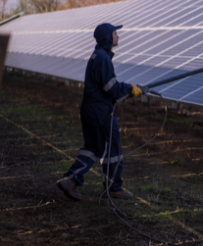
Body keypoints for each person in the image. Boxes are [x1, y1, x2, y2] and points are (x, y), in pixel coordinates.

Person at [56, 23, 142, 201]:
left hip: (91, 108)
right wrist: (129, 88)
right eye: (115, 34)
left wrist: (127, 90)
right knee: (113, 149)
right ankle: (114, 188)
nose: (118, 37)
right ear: (108, 38)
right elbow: (110, 88)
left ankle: (71, 180)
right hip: (100, 111)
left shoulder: (98, 56)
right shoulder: (103, 58)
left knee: (92, 148)